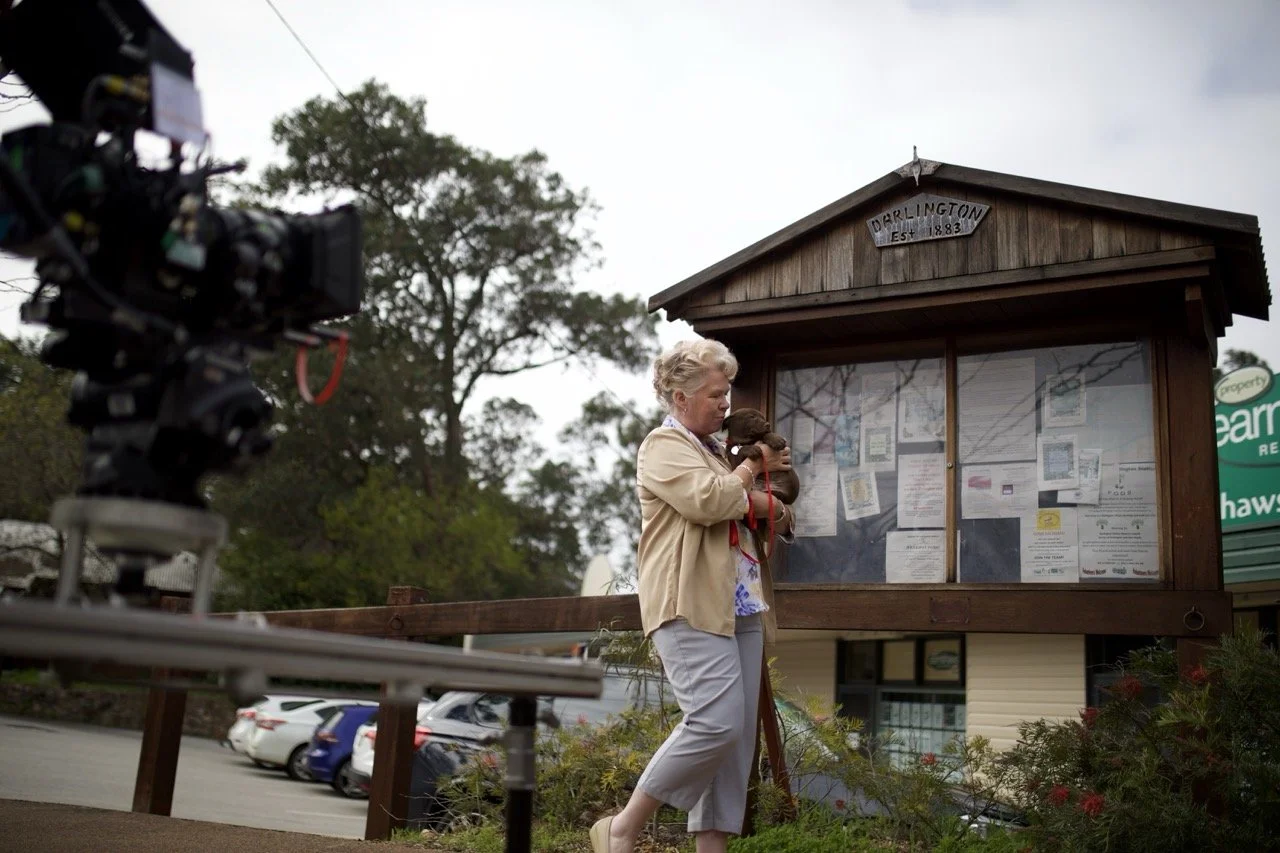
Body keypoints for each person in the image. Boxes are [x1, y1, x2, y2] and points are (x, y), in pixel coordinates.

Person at [590, 339, 794, 853]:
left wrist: (758, 495)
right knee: (715, 723)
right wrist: (751, 470)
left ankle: (711, 849)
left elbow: (768, 509)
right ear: (679, 397)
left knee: (737, 740)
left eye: (726, 395)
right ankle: (621, 827)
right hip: (688, 602)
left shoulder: (711, 450)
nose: (726, 405)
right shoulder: (662, 447)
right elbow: (711, 501)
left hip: (740, 603)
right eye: (715, 395)